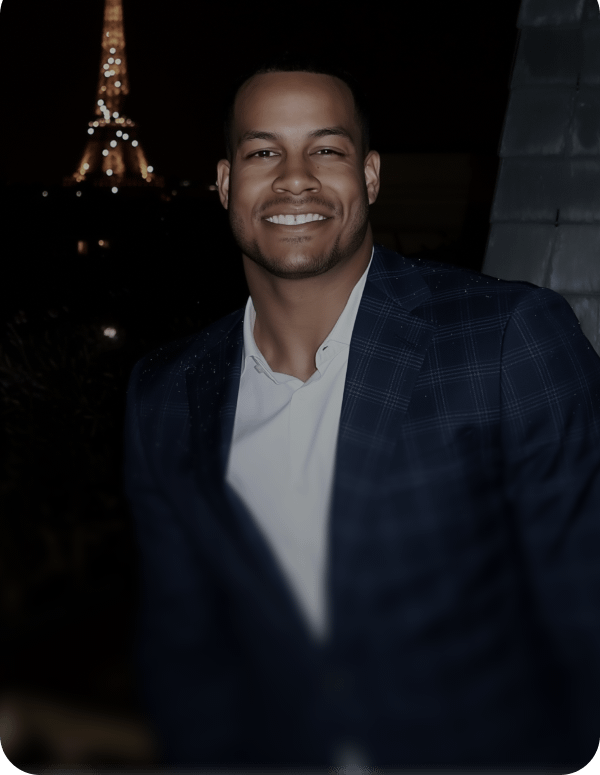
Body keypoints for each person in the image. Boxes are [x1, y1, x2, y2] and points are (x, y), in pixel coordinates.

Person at [123, 52, 600, 775]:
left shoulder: (508, 339)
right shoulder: (164, 394)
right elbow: (184, 644)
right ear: (224, 183)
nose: (294, 177)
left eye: (326, 149)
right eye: (262, 152)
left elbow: (586, 614)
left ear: (370, 176)